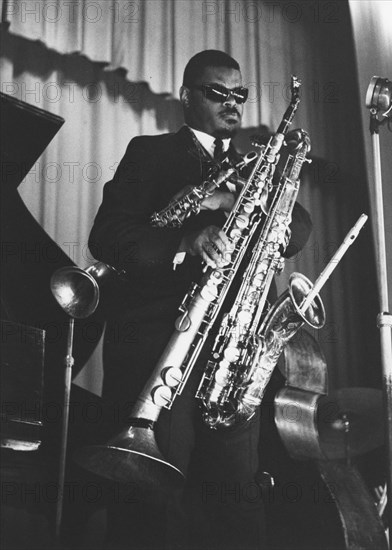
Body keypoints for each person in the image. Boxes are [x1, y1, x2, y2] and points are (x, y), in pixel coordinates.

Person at [88, 50, 312, 550]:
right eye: (217, 92)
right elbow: (107, 235)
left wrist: (239, 200)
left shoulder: (257, 165)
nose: (231, 103)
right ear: (187, 96)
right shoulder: (150, 153)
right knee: (150, 505)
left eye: (239, 95)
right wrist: (184, 242)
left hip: (233, 357)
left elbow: (298, 226)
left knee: (235, 501)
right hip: (160, 350)